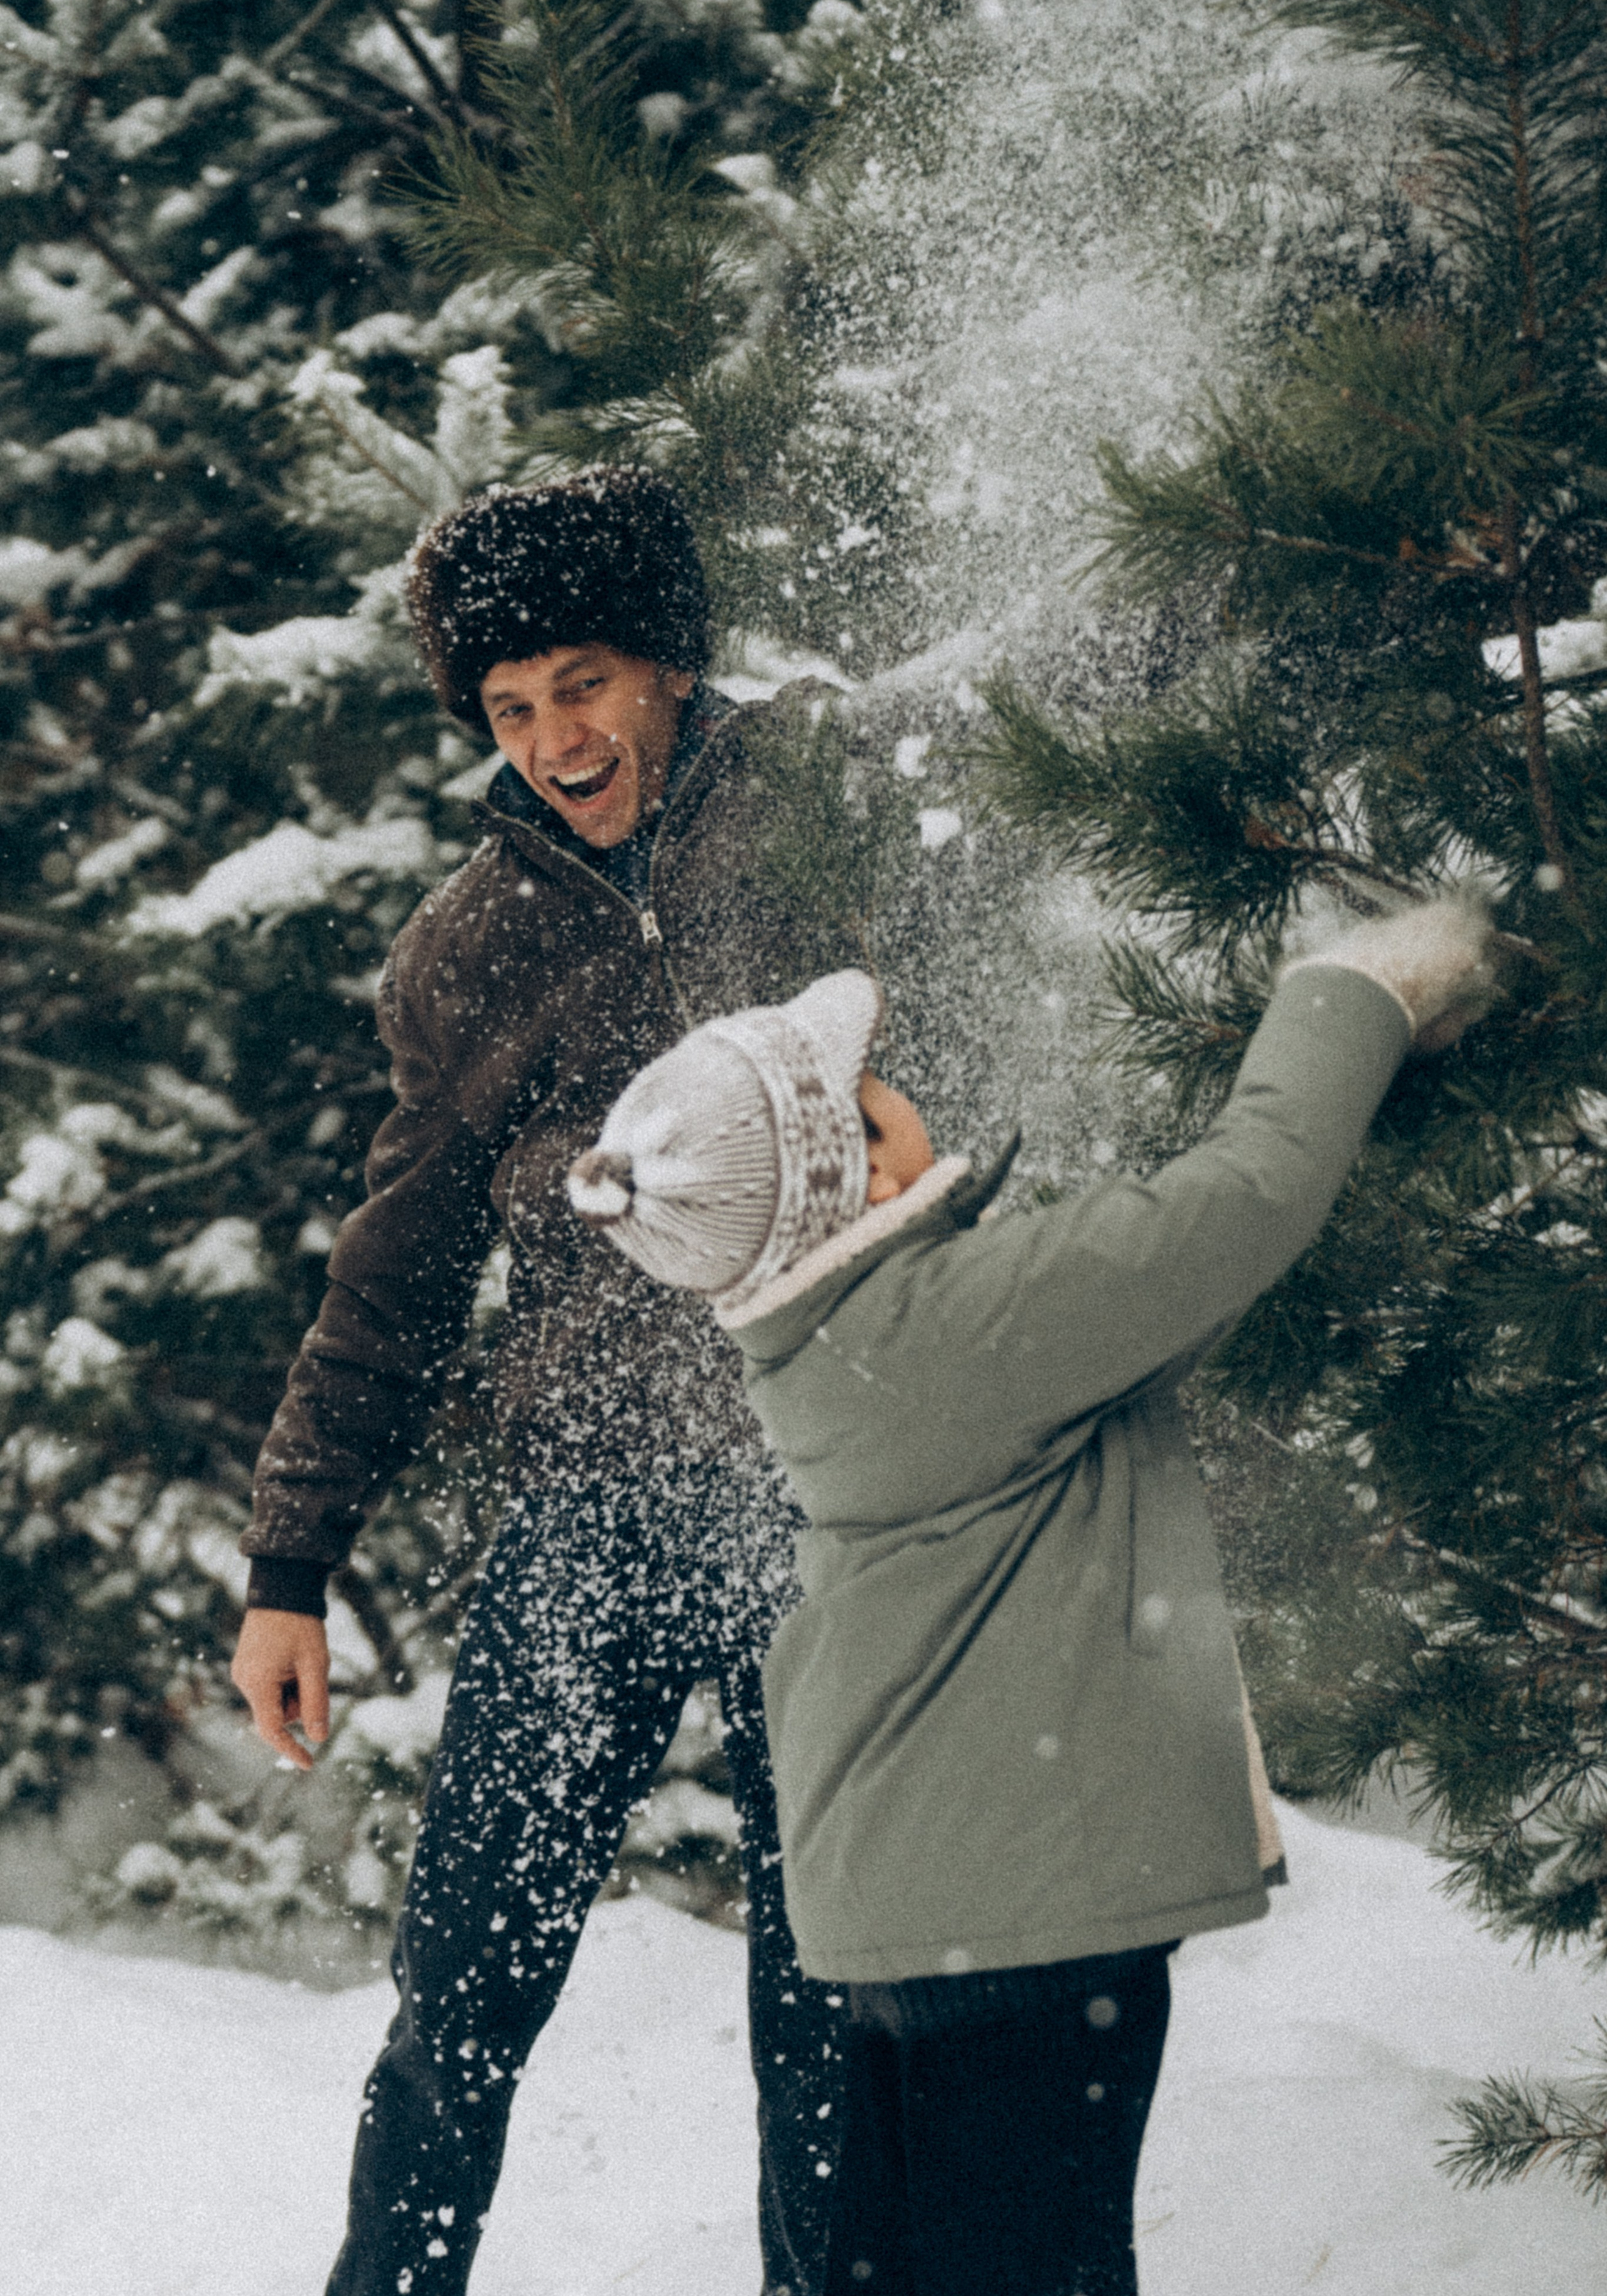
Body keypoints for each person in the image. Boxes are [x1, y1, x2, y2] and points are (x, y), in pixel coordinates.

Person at [564, 898, 1495, 2295]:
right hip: (1014, 1927)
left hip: (920, 1916)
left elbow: (1155, 1303)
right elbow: (1239, 1202)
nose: (905, 1089)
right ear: (860, 1177)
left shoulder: (843, 1337)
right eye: (876, 1096)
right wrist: (1354, 988)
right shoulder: (952, 1323)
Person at [230, 469, 848, 2296]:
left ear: (669, 665)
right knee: (464, 1983)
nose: (555, 736)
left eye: (584, 681)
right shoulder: (474, 944)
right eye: (508, 706)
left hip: (836, 1483)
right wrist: (289, 1560)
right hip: (600, 1497)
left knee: (833, 1993)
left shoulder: (827, 818)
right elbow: (398, 1272)